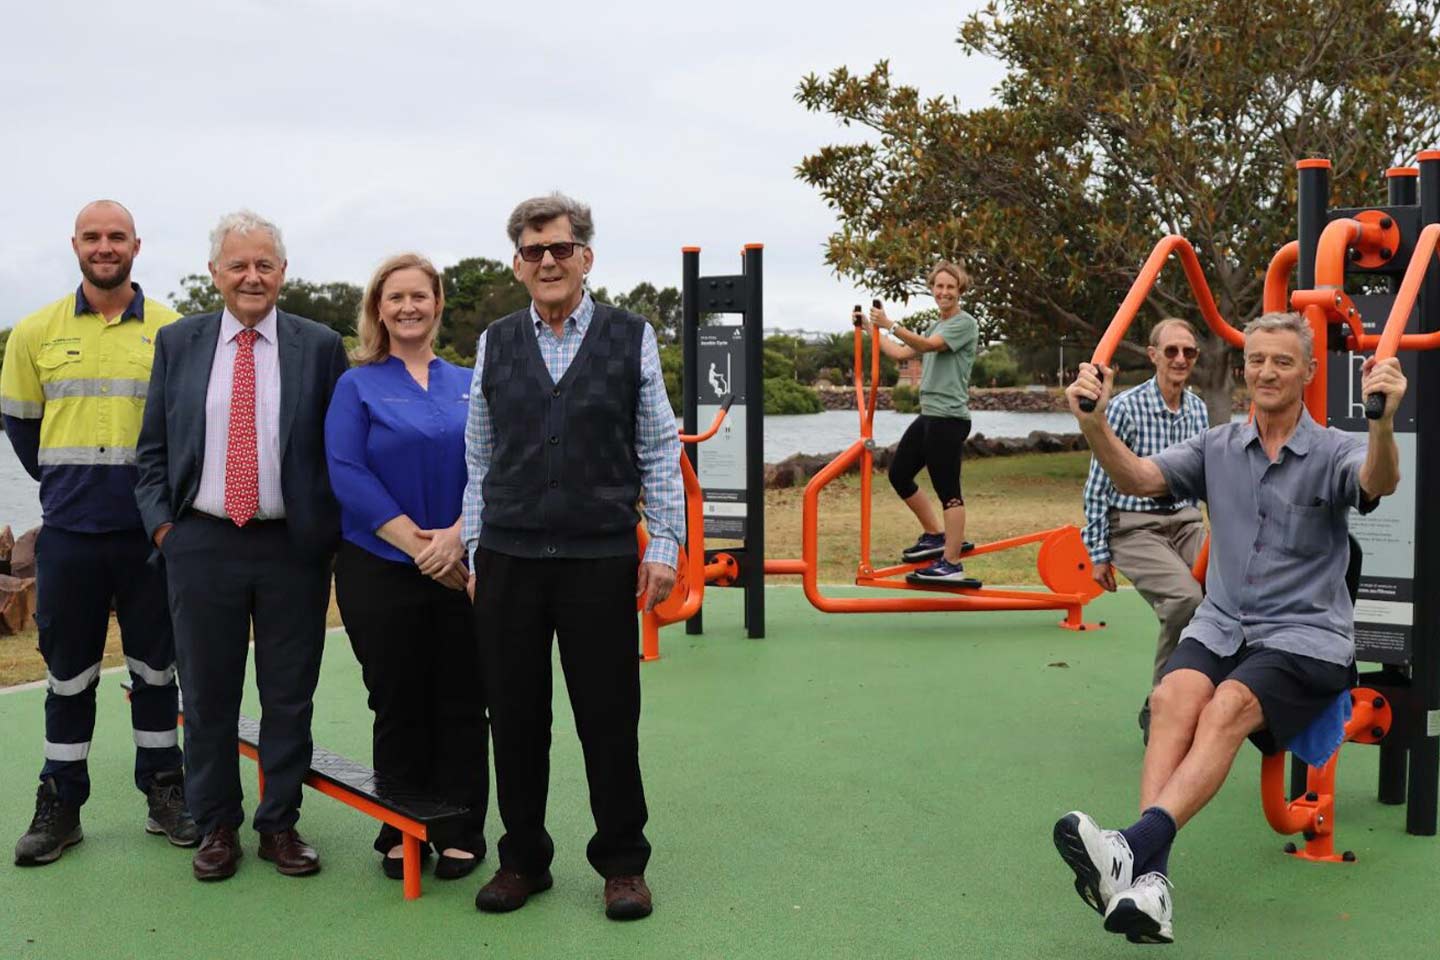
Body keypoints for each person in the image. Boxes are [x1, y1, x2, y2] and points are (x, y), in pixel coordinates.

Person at [1054, 311, 1405, 944]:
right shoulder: (1218, 446)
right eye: (1258, 360)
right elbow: (1138, 477)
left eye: (1283, 361)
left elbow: (1378, 479)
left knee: (1226, 705)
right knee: (1169, 699)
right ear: (1245, 370)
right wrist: (1093, 422)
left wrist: (1381, 422)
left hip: (1304, 637)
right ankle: (1148, 884)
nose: (1267, 371)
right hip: (1224, 627)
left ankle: (1132, 849)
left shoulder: (1332, 449)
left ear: (1308, 373)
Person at [464, 192, 683, 920]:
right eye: (534, 251)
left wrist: (668, 545)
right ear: (518, 264)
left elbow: (657, 447)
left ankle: (623, 863)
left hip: (600, 558)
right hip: (508, 557)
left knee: (608, 717)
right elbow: (478, 455)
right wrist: (471, 547)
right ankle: (523, 860)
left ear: (586, 257)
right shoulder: (496, 341)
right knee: (516, 716)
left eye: (561, 248)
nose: (548, 261)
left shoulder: (631, 336)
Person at [135, 210, 348, 882]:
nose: (252, 277)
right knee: (206, 695)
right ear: (215, 274)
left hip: (293, 548)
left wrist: (328, 535)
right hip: (200, 544)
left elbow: (338, 450)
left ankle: (280, 825)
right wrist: (166, 529)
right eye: (239, 265)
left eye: (264, 264)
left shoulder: (317, 345)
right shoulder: (179, 342)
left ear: (282, 273)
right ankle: (216, 825)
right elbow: (151, 452)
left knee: (289, 695)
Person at [1, 200, 194, 865]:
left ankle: (165, 790)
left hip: (151, 538)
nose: (105, 246)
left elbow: (186, 436)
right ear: (75, 244)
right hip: (71, 538)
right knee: (68, 676)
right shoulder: (34, 333)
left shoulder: (174, 332)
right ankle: (60, 803)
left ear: (137, 245)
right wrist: (70, 485)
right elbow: (24, 432)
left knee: (156, 671)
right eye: (93, 236)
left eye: (116, 236)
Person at [324, 253, 487, 881]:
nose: (408, 307)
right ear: (378, 309)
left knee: (463, 699)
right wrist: (422, 550)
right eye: (395, 298)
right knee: (397, 699)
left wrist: (456, 540)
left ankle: (462, 827)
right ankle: (401, 825)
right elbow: (347, 472)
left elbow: (492, 467)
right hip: (379, 565)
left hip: (466, 562)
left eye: (420, 296)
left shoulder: (472, 381)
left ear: (438, 304)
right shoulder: (356, 385)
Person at [1080, 319, 1210, 742]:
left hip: (1185, 522)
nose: (1180, 359)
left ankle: (1201, 696)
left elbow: (1206, 476)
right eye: (1171, 351)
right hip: (1136, 526)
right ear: (1153, 355)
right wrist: (1097, 552)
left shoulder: (1198, 409)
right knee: (1186, 599)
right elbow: (1099, 482)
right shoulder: (1125, 408)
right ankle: (1162, 705)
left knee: (1228, 596)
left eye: (1188, 352)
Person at [868, 260, 980, 584]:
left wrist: (889, 323)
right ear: (932, 289)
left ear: (960, 290)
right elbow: (903, 353)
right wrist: (868, 327)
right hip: (929, 415)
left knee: (949, 491)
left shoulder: (963, 323)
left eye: (950, 287)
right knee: (899, 473)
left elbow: (928, 346)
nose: (944, 292)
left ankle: (952, 563)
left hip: (949, 419)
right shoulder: (936, 324)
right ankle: (934, 535)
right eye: (939, 286)